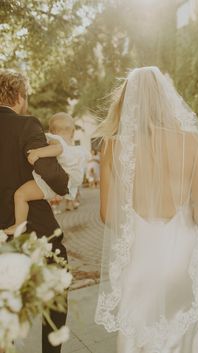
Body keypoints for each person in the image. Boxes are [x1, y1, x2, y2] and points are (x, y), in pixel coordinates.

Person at [94, 67, 198, 353]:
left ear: (127, 101)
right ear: (166, 97)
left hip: (140, 254)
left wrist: (137, 227)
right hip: (180, 253)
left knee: (138, 335)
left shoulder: (112, 146)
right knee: (181, 336)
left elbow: (106, 214)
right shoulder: (191, 140)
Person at [0, 69, 69, 353]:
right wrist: (64, 184)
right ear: (18, 95)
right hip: (35, 229)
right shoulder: (26, 124)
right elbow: (51, 174)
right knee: (56, 294)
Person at [4, 112, 89, 234]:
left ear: (51, 131)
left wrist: (38, 152)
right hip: (67, 183)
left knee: (20, 195)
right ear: (73, 132)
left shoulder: (55, 139)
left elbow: (58, 149)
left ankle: (19, 224)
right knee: (23, 195)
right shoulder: (78, 150)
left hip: (53, 181)